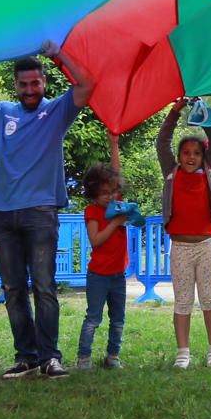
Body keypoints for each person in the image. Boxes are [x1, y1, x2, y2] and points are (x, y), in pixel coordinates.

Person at [0, 41, 94, 379]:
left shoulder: (56, 111)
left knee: (44, 286)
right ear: (16, 86)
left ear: (44, 82)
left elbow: (86, 85)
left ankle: (51, 357)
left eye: (35, 83)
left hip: (40, 212)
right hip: (4, 215)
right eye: (23, 84)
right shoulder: (4, 112)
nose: (29, 89)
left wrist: (58, 55)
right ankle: (27, 357)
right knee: (13, 289)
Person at [157, 99, 211, 368]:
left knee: (209, 298)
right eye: (185, 152)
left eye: (196, 153)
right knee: (183, 301)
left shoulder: (209, 172)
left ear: (203, 156)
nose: (190, 157)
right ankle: (182, 352)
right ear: (179, 155)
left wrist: (203, 109)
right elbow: (162, 142)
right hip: (180, 248)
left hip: (207, 245)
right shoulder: (171, 173)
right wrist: (175, 110)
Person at [75, 133, 130, 371]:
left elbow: (116, 171)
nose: (110, 195)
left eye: (113, 191)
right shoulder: (93, 212)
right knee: (93, 318)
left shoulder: (115, 204)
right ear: (94, 193)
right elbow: (96, 240)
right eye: (104, 192)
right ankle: (84, 357)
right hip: (98, 275)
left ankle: (112, 355)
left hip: (118, 274)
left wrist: (114, 143)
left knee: (118, 319)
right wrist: (116, 223)